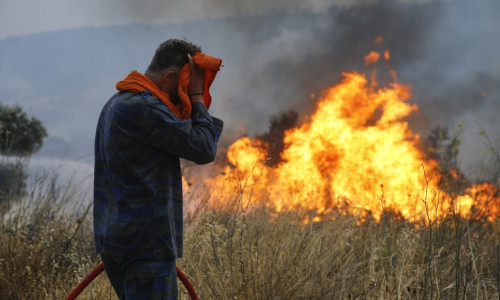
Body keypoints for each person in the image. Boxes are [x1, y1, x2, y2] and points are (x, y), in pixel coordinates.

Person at [93, 39, 223, 299]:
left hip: (122, 244)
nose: (189, 90)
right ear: (170, 77)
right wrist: (197, 98)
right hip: (145, 249)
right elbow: (203, 148)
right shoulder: (146, 109)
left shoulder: (119, 102)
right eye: (187, 83)